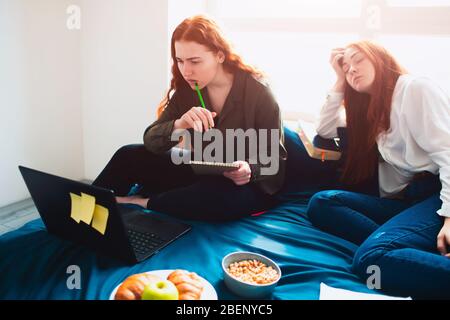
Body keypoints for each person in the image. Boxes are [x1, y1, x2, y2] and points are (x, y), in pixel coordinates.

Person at [92, 15, 286, 221]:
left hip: (245, 184)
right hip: (202, 169)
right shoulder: (188, 90)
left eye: (194, 61)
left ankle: (137, 203)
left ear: (220, 55)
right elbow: (151, 140)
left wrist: (249, 169)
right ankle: (81, 205)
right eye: (180, 61)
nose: (186, 70)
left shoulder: (259, 92)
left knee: (216, 195)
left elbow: (274, 158)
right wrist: (180, 124)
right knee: (128, 155)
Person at [306, 40, 450, 299]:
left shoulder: (415, 88)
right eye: (346, 66)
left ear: (380, 58)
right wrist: (339, 80)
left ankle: (393, 245)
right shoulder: (370, 110)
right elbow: (325, 130)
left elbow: (448, 153)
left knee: (372, 259)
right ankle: (406, 242)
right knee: (322, 203)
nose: (351, 69)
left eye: (358, 60)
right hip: (407, 200)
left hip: (438, 195)